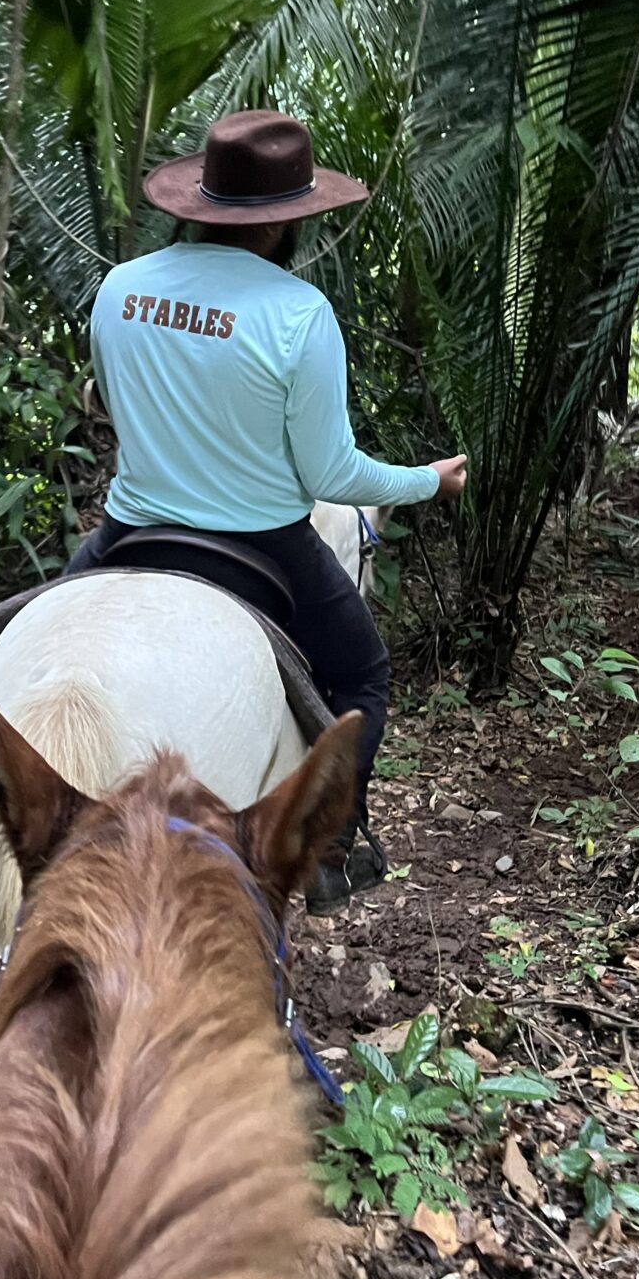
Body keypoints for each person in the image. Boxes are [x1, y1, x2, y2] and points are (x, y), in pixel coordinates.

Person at [69, 109, 466, 914]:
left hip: (131, 532)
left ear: (198, 200)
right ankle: (330, 847)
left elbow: (118, 404)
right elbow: (330, 472)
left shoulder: (119, 288)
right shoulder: (299, 312)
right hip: (261, 546)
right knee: (362, 677)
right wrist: (428, 481)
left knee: (26, 635)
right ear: (286, 222)